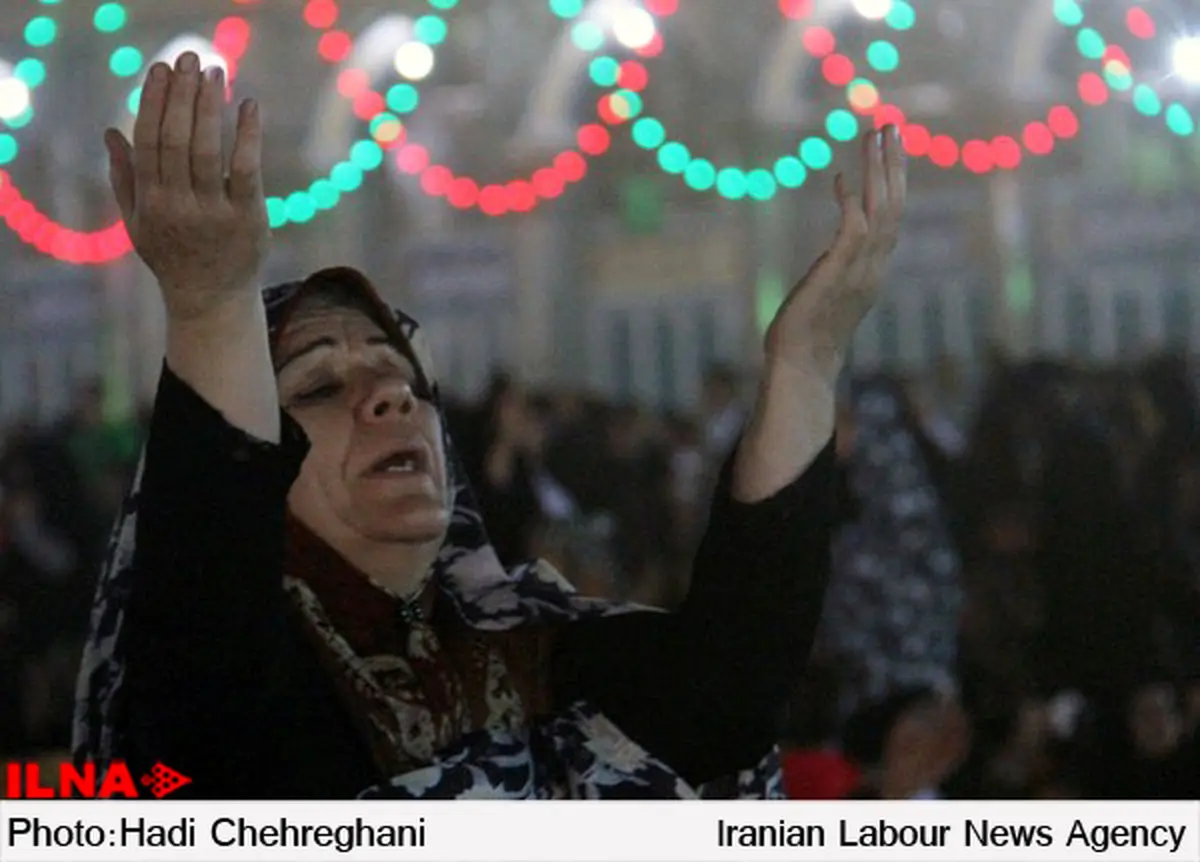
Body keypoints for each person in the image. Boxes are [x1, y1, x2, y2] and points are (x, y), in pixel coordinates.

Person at [73, 52, 907, 799]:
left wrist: (803, 367)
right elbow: (200, 708)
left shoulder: (530, 644)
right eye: (318, 388)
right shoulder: (227, 698)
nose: (390, 399)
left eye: (403, 378)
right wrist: (212, 308)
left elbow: (729, 691)